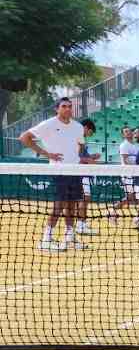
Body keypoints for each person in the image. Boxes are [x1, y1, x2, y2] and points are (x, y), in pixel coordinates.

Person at [19, 97, 86, 252]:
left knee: (72, 204)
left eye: (70, 106)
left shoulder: (78, 127)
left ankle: (69, 236)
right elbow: (24, 138)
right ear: (57, 109)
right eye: (64, 106)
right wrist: (46, 154)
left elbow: (81, 144)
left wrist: (77, 156)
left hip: (75, 170)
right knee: (59, 204)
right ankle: (46, 239)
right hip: (59, 170)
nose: (68, 109)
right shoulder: (49, 124)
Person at [108, 126, 139, 224]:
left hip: (136, 174)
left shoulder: (136, 146)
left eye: (129, 131)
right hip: (127, 174)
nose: (129, 132)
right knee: (131, 197)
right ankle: (112, 211)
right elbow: (125, 160)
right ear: (123, 135)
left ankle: (138, 217)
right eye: (126, 132)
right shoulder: (124, 145)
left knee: (135, 197)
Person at [76, 118, 101, 236]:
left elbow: (82, 157)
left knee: (85, 198)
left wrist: (92, 157)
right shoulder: (78, 139)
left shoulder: (81, 140)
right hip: (80, 174)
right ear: (86, 128)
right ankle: (80, 225)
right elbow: (76, 158)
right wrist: (89, 160)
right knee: (84, 198)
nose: (90, 135)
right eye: (90, 132)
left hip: (84, 173)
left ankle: (82, 223)